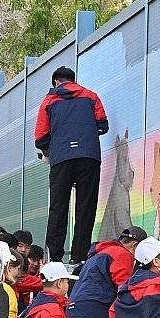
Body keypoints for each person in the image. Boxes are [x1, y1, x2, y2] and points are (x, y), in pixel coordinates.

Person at [34, 65, 109, 264]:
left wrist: (53, 148)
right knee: (86, 206)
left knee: (58, 208)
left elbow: (40, 137)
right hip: (89, 157)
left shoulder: (49, 101)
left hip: (61, 159)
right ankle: (79, 257)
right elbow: (103, 125)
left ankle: (56, 258)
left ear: (56, 82)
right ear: (73, 80)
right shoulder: (92, 97)